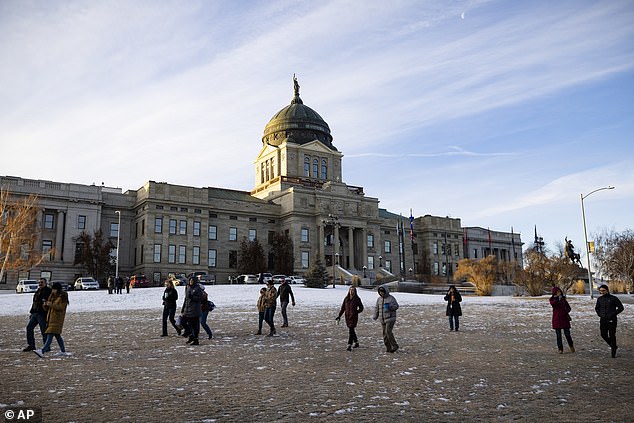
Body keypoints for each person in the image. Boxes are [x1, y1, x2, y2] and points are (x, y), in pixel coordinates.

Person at [34, 282, 69, 357]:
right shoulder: (52, 295)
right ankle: (63, 351)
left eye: (54, 289)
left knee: (50, 334)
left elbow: (61, 308)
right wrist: (45, 304)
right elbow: (47, 308)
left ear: (58, 289)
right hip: (50, 318)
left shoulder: (63, 297)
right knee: (57, 335)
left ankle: (43, 351)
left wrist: (51, 304)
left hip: (57, 318)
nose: (53, 291)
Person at [22, 278, 52, 352]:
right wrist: (31, 313)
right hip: (35, 313)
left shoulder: (48, 291)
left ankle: (46, 347)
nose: (40, 284)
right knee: (29, 328)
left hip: (42, 314)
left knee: (44, 331)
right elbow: (34, 303)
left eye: (42, 282)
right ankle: (31, 345)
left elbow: (50, 302)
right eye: (39, 282)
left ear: (45, 283)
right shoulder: (38, 291)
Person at [595, 284, 624, 358]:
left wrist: (613, 314)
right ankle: (613, 346)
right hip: (603, 319)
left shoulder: (613, 298)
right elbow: (597, 308)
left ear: (607, 290)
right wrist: (599, 314)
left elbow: (621, 307)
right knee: (603, 334)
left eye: (603, 290)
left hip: (612, 320)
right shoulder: (599, 299)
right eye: (600, 291)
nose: (602, 292)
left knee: (612, 335)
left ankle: (613, 353)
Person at [336, 286, 364, 351]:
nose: (351, 291)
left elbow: (361, 308)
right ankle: (356, 342)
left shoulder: (357, 299)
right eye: (350, 290)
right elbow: (343, 308)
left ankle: (349, 344)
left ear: (355, 291)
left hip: (353, 317)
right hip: (347, 317)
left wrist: (356, 312)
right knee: (352, 330)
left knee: (351, 330)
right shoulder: (346, 299)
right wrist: (339, 316)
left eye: (353, 290)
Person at [373, 285, 399, 353]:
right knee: (384, 334)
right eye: (380, 292)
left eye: (382, 291)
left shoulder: (391, 298)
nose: (381, 293)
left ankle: (395, 345)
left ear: (386, 291)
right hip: (382, 319)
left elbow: (396, 306)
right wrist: (375, 316)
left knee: (388, 332)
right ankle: (388, 347)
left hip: (390, 318)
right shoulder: (379, 299)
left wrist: (390, 307)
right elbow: (377, 308)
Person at [549, 286, 574, 354]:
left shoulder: (563, 299)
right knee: (558, 335)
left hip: (564, 319)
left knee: (567, 334)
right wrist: (557, 299)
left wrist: (565, 311)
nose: (559, 293)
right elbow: (553, 304)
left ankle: (571, 345)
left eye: (559, 292)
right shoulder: (552, 299)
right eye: (557, 292)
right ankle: (560, 349)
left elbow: (569, 308)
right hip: (556, 319)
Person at [181, 276, 203, 345]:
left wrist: (193, 297)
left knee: (194, 326)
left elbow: (200, 298)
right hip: (187, 309)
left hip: (194, 310)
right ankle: (190, 334)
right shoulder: (188, 288)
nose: (190, 282)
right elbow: (186, 299)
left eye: (192, 281)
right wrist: (183, 308)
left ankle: (195, 340)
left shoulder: (198, 288)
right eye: (190, 281)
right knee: (183, 322)